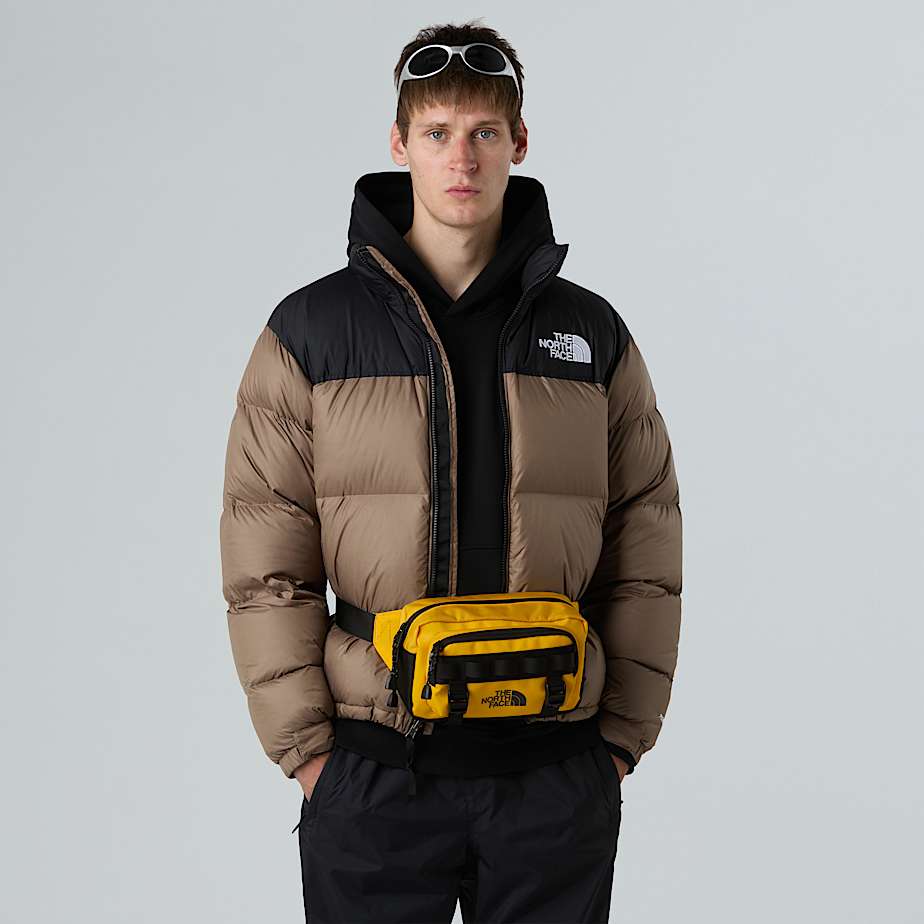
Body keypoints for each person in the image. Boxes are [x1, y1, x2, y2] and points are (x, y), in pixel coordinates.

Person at [219, 19, 682, 924]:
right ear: (400, 145)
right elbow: (264, 560)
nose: (461, 158)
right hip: (375, 774)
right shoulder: (311, 333)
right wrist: (311, 755)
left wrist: (619, 745)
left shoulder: (591, 336)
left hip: (555, 774)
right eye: (437, 133)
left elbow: (647, 540)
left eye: (483, 133)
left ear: (519, 142)